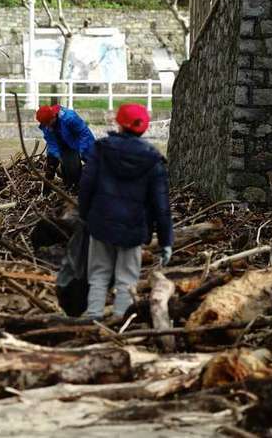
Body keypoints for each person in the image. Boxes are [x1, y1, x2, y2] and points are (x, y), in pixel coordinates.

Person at [78, 103, 173, 320]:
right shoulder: (153, 159)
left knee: (99, 273)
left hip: (101, 223)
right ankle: (121, 318)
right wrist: (167, 241)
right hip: (134, 227)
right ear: (144, 128)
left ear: (119, 123)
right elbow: (161, 205)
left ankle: (93, 314)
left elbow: (86, 186)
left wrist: (86, 216)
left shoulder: (101, 150)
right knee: (127, 278)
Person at [35, 104, 95, 190]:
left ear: (53, 117)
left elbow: (84, 133)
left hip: (81, 141)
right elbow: (52, 143)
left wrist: (81, 150)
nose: (47, 126)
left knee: (93, 163)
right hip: (64, 143)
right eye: (45, 124)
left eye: (48, 123)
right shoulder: (46, 125)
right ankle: (72, 187)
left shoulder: (69, 117)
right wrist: (56, 158)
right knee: (71, 172)